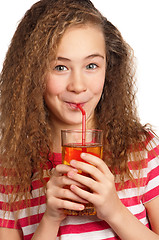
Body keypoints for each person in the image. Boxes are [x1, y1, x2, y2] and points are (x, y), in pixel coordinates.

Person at [0, 0, 159, 239]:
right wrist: (51, 218)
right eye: (60, 67)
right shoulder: (11, 171)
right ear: (31, 74)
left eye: (91, 65)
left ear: (110, 68)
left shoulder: (142, 151)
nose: (77, 86)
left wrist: (114, 211)